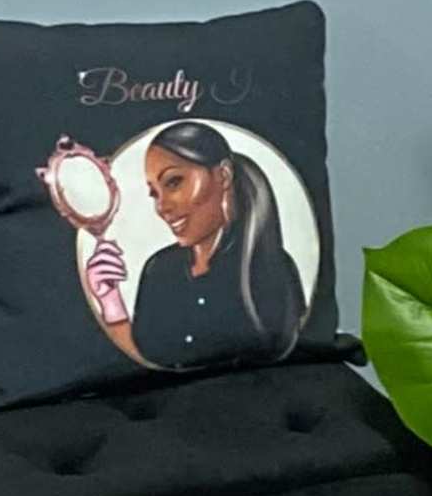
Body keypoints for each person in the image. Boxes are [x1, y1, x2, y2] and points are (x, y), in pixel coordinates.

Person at [42, 117, 308, 367]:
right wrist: (110, 300)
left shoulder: (273, 267)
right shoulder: (159, 269)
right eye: (154, 194)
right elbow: (148, 360)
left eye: (174, 182)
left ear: (223, 176)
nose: (162, 207)